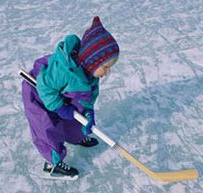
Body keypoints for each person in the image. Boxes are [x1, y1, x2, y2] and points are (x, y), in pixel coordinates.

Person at [22, 16, 119, 179]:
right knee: (47, 127)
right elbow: (45, 86)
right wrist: (59, 106)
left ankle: (76, 137)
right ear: (93, 62)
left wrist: (88, 112)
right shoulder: (64, 71)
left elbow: (87, 98)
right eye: (106, 67)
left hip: (61, 94)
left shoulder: (91, 75)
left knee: (76, 117)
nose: (107, 72)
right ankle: (53, 163)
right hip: (39, 93)